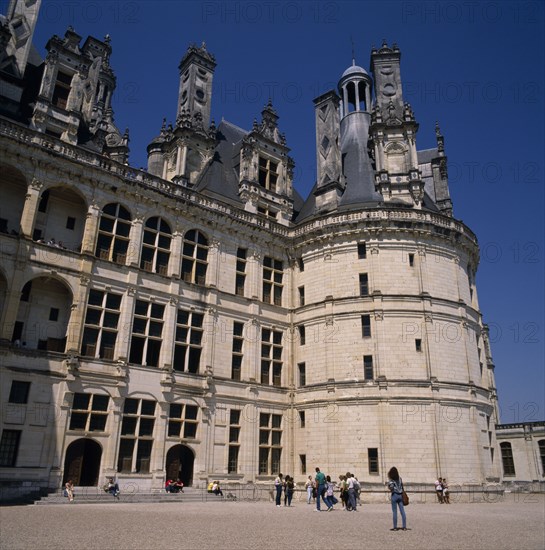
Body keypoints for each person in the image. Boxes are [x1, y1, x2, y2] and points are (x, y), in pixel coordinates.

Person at [387, 467, 407, 531]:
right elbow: (402, 486)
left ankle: (395, 527)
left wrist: (389, 487)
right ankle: (404, 526)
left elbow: (391, 488)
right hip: (400, 495)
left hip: (394, 495)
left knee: (394, 512)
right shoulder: (400, 479)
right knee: (402, 511)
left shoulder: (391, 480)